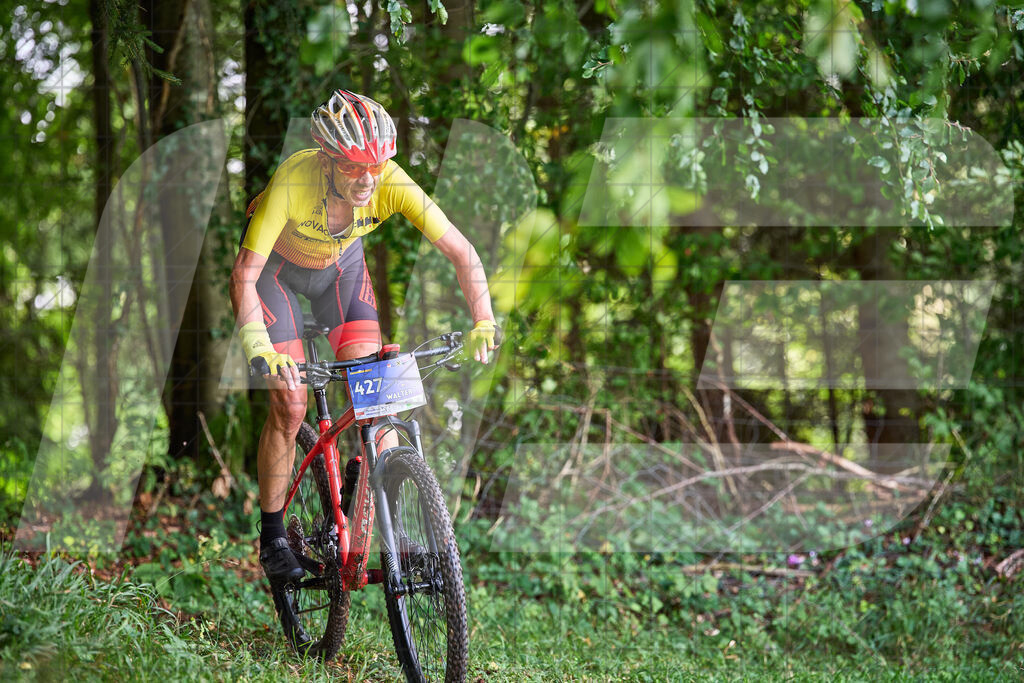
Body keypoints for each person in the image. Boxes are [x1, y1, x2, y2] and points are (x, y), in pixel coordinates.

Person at [230, 89, 497, 584]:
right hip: (274, 273)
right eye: (354, 167)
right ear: (327, 160)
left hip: (340, 271)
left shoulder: (390, 181)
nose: (367, 179)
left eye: (375, 166)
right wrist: (258, 346)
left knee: (379, 398)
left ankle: (385, 507)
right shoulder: (294, 179)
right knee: (290, 404)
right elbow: (245, 273)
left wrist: (484, 319)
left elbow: (462, 252)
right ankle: (272, 536)